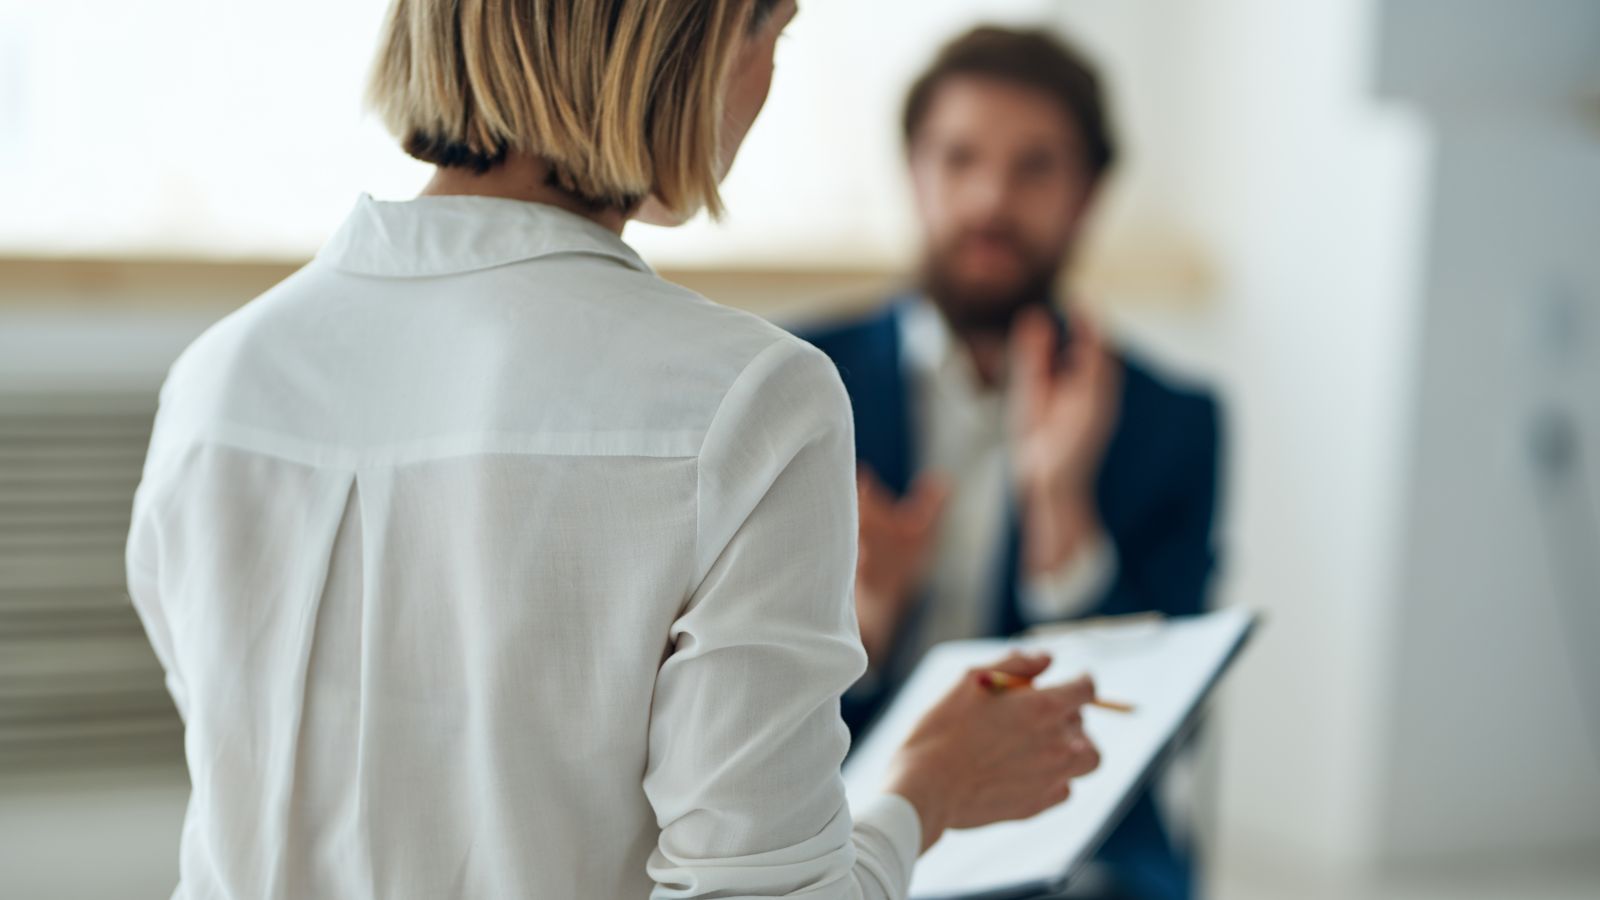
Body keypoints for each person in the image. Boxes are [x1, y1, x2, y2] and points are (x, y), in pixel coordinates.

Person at [125, 2, 1105, 898]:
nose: (767, 82)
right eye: (775, 33)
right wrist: (925, 790)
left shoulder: (216, 384)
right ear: (698, 42)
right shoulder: (753, 400)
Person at [798, 27, 1223, 900]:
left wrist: (1060, 508)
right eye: (960, 159)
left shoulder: (1171, 421)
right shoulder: (795, 380)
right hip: (849, 811)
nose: (990, 198)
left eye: (1035, 168)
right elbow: (723, 715)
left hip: (1074, 832)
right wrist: (863, 630)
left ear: (1088, 194)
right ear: (915, 173)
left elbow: (1163, 729)